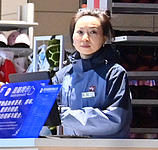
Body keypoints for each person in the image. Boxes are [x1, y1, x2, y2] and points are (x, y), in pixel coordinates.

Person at [52, 9, 131, 138]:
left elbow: (114, 119)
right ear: (72, 37)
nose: (85, 38)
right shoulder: (62, 75)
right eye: (80, 32)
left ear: (104, 37)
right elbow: (47, 111)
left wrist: (62, 115)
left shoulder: (114, 74)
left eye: (93, 32)